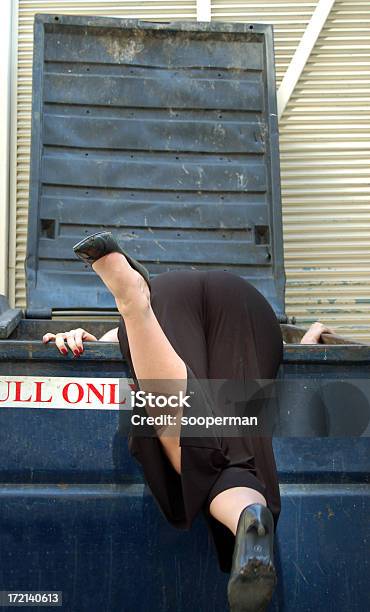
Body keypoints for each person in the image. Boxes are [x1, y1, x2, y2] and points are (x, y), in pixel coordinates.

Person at [41, 231, 336, 611]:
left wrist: (76, 336)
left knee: (195, 447)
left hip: (166, 296)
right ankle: (248, 515)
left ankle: (135, 304)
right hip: (249, 306)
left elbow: (96, 344)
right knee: (238, 447)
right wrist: (308, 340)